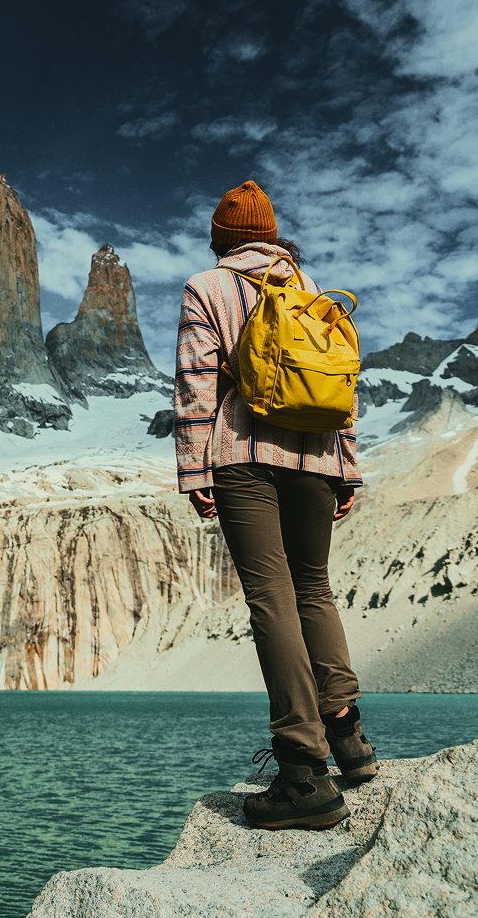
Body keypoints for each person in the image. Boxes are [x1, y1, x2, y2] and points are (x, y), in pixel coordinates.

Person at [174, 179, 378, 831]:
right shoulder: (310, 288)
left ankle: (302, 775)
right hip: (318, 457)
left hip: (244, 455)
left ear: (221, 241)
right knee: (315, 588)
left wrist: (193, 468)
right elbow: (341, 382)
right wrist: (345, 467)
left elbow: (197, 381)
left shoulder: (207, 287)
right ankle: (349, 740)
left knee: (271, 596)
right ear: (272, 236)